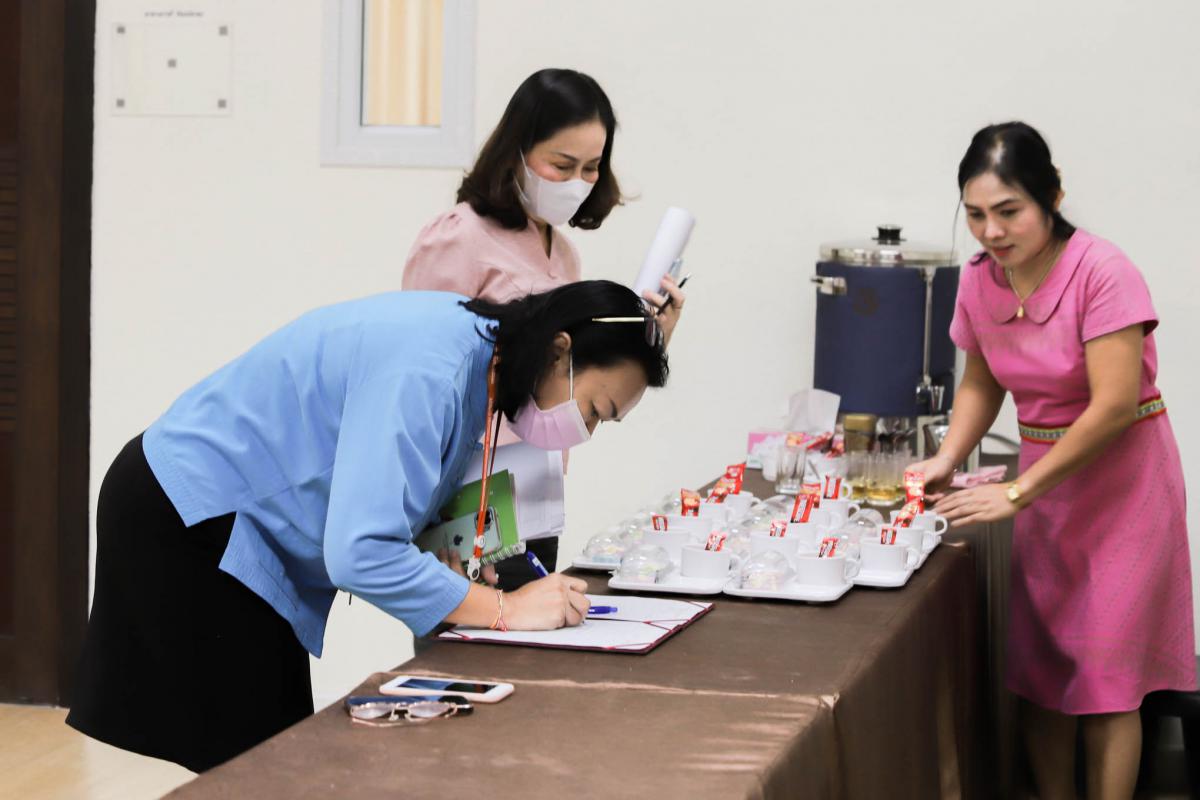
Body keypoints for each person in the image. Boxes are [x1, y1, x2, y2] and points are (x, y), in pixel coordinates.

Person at [66, 280, 668, 773]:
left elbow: (398, 503)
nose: (586, 432)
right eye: (595, 410)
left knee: (272, 764)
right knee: (261, 770)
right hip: (192, 515)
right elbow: (359, 553)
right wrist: (505, 610)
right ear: (560, 351)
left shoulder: (481, 356)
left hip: (231, 519)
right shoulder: (431, 368)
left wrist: (468, 577)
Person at [909, 122, 1195, 800]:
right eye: (975, 214)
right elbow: (982, 382)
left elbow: (1114, 406)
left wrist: (1017, 492)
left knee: (1106, 680)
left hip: (1124, 485)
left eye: (1009, 211)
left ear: (1052, 196)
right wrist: (948, 456)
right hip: (1046, 486)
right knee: (1043, 673)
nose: (991, 231)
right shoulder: (980, 281)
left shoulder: (1103, 271)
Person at [403, 67, 686, 587]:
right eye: (562, 165)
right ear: (517, 150)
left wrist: (646, 340)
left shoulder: (563, 252)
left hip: (536, 499)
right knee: (470, 633)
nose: (577, 182)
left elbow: (570, 381)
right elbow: (419, 384)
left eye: (591, 168)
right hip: (468, 501)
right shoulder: (459, 238)